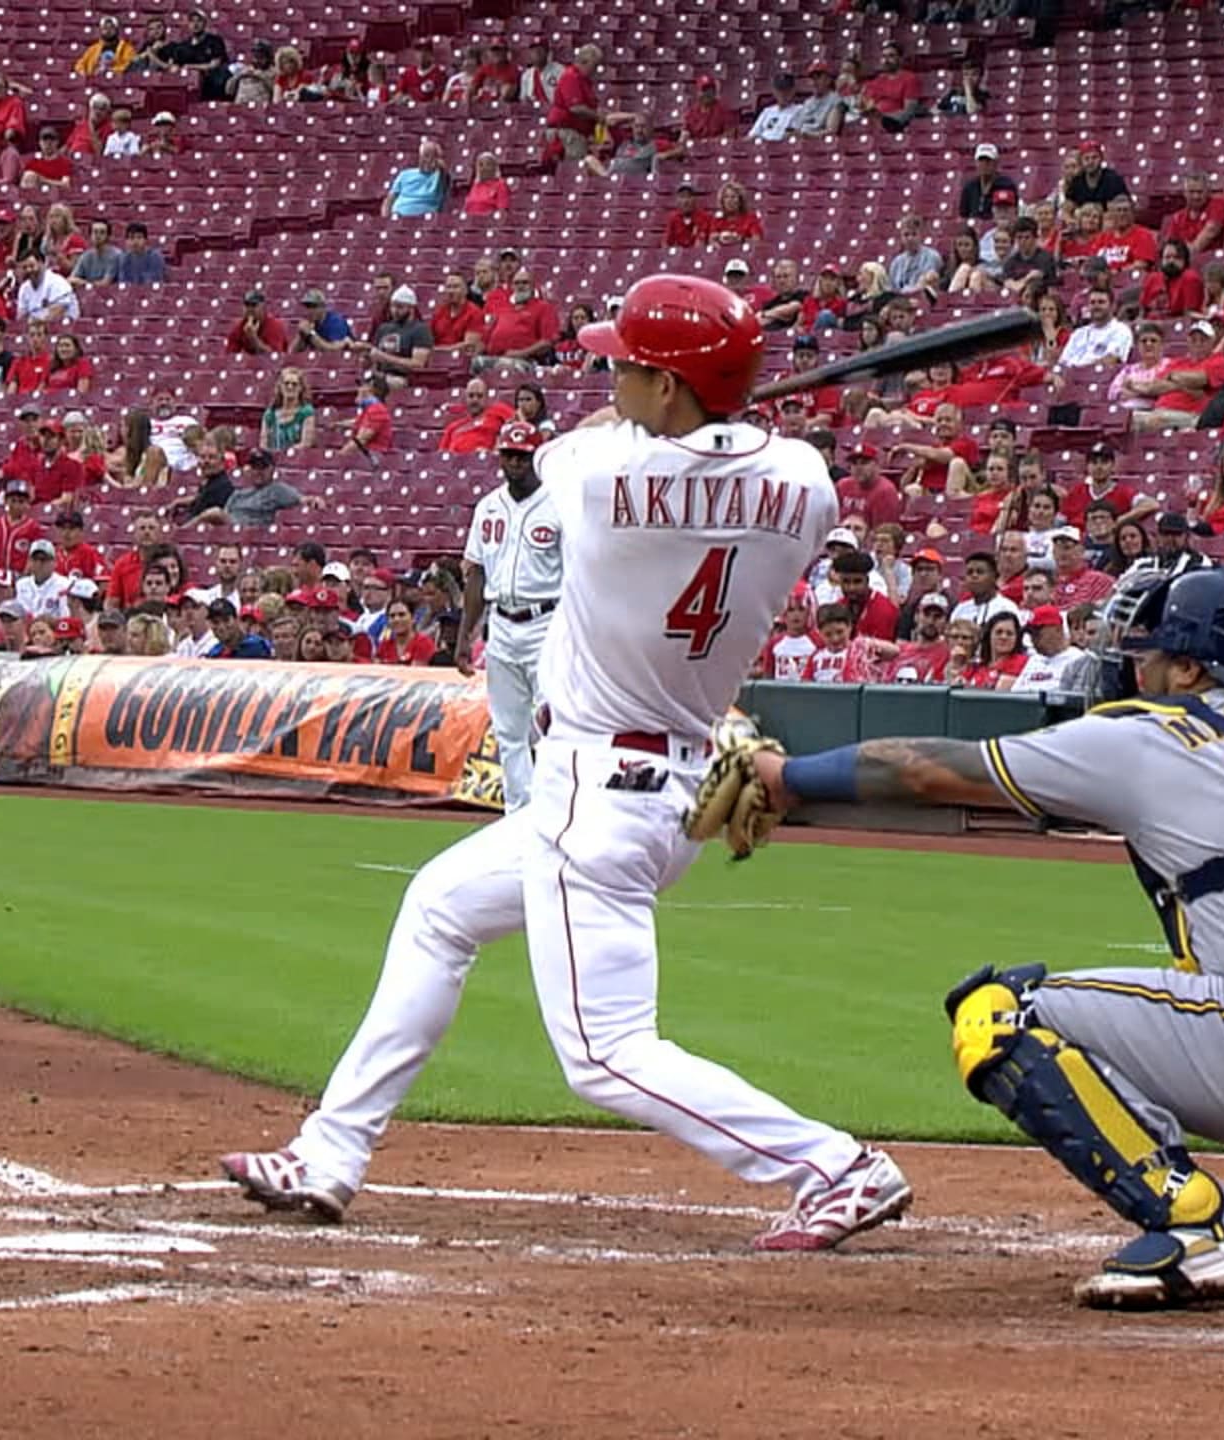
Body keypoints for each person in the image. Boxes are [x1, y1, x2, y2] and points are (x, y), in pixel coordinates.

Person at [217, 275, 911, 1251]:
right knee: (440, 908)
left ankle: (834, 1166)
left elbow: (589, 444)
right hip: (659, 777)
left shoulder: (587, 470)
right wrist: (699, 409)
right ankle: (329, 1153)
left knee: (604, 1053)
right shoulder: (804, 485)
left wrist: (681, 414)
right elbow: (713, 453)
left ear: (668, 388)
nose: (608, 375)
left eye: (625, 364)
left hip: (604, 795)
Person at [706, 563, 1224, 1307]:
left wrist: (785, 778)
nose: (1136, 667)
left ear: (1190, 670)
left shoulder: (1150, 732)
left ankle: (1198, 1223)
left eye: (1150, 654)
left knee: (998, 1012)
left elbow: (930, 770)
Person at [454, 422, 560, 809]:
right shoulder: (488, 506)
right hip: (500, 622)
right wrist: (465, 635)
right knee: (509, 730)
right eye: (509, 455)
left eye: (523, 455)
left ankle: (553, 807)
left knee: (551, 723)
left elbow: (578, 574)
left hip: (547, 619)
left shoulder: (559, 503)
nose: (515, 462)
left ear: (536, 457)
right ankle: (519, 813)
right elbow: (476, 572)